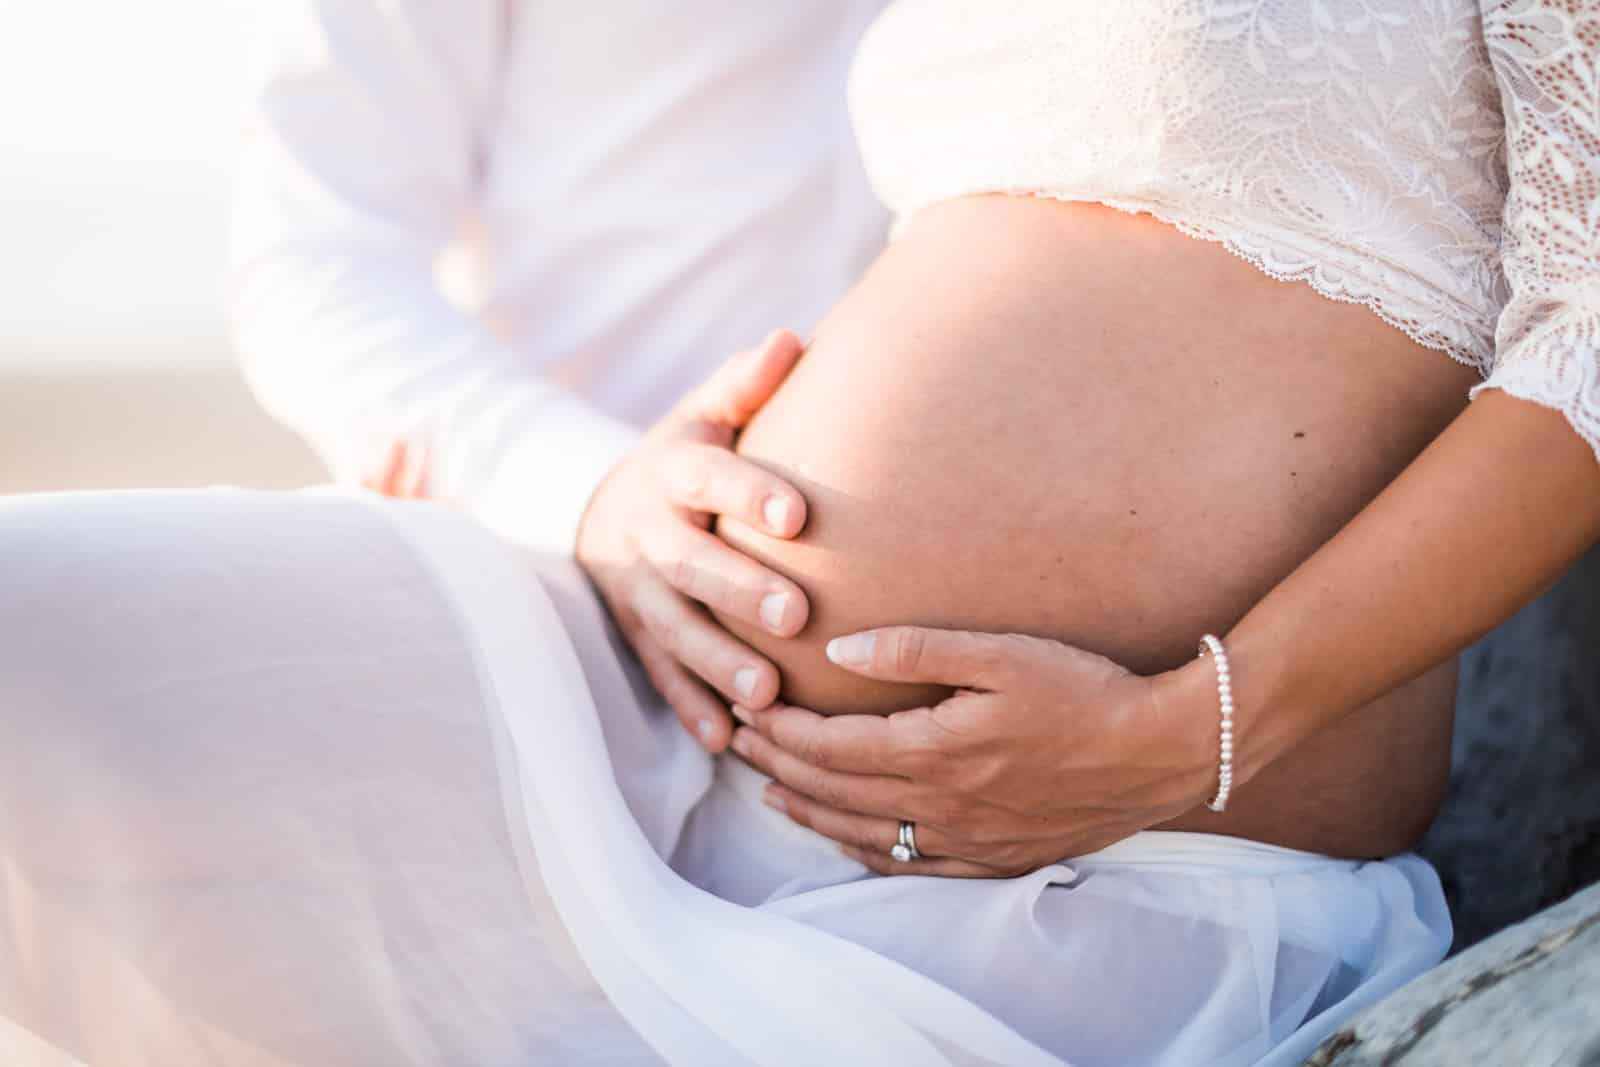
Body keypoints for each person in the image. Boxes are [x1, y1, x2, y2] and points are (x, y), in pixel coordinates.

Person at [3, 3, 1598, 1066]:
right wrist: (604, 490)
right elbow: (316, 253)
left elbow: (1589, 319)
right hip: (634, 677)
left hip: (1091, 873)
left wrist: (1200, 729)